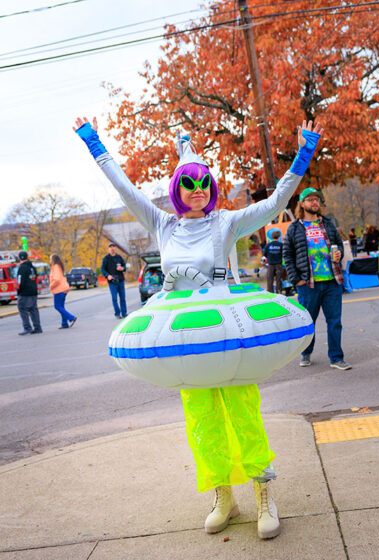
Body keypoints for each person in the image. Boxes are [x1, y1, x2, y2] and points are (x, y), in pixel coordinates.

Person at [74, 115, 323, 539]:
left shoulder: (225, 222)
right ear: (176, 190)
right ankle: (224, 494)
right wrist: (94, 143)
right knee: (202, 422)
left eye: (203, 182)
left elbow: (275, 205)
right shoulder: (162, 224)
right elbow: (124, 188)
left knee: (243, 414)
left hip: (227, 334)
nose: (197, 190)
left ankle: (264, 492)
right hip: (187, 339)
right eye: (187, 183)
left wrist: (303, 153)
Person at [283, 188, 352, 371]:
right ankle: (306, 352)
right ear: (302, 204)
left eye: (317, 200)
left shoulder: (328, 224)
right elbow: (287, 255)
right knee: (308, 321)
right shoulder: (294, 228)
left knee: (335, 321)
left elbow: (339, 247)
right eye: (310, 200)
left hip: (332, 281)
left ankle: (336, 357)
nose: (315, 203)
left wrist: (338, 254)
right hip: (308, 284)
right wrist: (296, 280)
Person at [16, 251, 42, 335]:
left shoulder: (22, 268)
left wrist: (18, 290)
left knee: (22, 308)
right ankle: (38, 327)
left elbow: (20, 281)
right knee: (33, 309)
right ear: (27, 257)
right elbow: (35, 277)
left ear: (19, 258)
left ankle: (27, 327)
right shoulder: (32, 267)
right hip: (33, 291)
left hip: (24, 292)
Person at [49, 254, 77, 329]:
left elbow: (57, 279)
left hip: (59, 289)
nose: (50, 260)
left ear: (53, 260)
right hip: (63, 289)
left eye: (50, 259)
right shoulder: (59, 267)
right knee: (61, 307)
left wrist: (51, 286)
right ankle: (64, 323)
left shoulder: (56, 267)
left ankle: (71, 317)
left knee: (57, 306)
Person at [101, 242, 127, 318]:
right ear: (109, 249)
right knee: (114, 298)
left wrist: (122, 268)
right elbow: (103, 269)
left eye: (113, 247)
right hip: (112, 281)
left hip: (121, 280)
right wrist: (107, 275)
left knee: (122, 298)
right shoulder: (106, 258)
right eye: (110, 247)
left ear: (115, 248)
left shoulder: (119, 257)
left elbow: (124, 266)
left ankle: (124, 313)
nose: (112, 248)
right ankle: (117, 314)